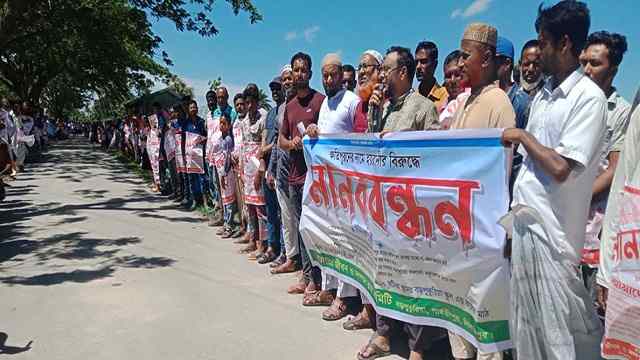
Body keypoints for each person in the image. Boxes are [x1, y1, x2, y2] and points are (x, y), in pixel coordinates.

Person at [502, 1, 606, 358]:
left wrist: (523, 137)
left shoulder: (588, 99)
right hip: (527, 226)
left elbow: (561, 168)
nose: (539, 49)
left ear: (563, 43)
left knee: (564, 336)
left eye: (543, 42)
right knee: (528, 331)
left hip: (556, 237)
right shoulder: (544, 96)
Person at [359, 46, 441, 360]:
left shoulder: (423, 108)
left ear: (402, 72)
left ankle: (417, 345)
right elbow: (370, 150)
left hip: (410, 207)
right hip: (382, 207)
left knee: (412, 276)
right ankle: (383, 332)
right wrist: (373, 114)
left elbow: (434, 158)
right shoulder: (381, 107)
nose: (380, 76)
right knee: (383, 270)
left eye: (386, 70)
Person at [448, 23, 515, 360]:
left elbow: (499, 176)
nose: (460, 63)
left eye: (466, 55)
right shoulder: (464, 103)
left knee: (484, 324)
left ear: (486, 57)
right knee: (457, 316)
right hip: (456, 229)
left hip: (483, 231)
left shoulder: (498, 103)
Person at [306, 53, 360, 315]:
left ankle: (345, 298)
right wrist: (313, 130)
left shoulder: (352, 101)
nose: (328, 80)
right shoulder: (325, 104)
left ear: (342, 76)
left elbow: (361, 139)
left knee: (345, 240)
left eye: (333, 75)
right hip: (326, 187)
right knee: (327, 236)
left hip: (347, 186)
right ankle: (329, 288)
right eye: (325, 75)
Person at [578, 31, 630, 305]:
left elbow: (614, 169)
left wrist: (574, 198)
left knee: (592, 314)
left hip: (596, 226)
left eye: (595, 63)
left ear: (614, 69)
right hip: (565, 224)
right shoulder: (574, 104)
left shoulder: (621, 111)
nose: (586, 70)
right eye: (584, 61)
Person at [278, 52, 325, 299]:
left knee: (316, 230)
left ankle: (318, 282)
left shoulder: (320, 101)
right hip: (295, 177)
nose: (299, 74)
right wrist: (292, 142)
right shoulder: (289, 106)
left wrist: (316, 132)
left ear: (310, 73)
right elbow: (281, 140)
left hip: (317, 180)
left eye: (304, 70)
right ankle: (307, 278)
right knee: (300, 228)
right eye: (296, 70)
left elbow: (330, 137)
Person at [270, 65, 301, 274]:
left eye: (290, 78)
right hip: (281, 169)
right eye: (285, 80)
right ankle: (291, 257)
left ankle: (305, 264)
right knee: (286, 217)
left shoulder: (303, 103)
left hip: (298, 171)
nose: (287, 82)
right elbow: (275, 141)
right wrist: (270, 169)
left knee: (301, 218)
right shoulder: (281, 109)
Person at [257, 76, 285, 264]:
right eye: (272, 89)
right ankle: (272, 247)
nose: (275, 91)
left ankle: (284, 251)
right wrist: (262, 159)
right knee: (270, 210)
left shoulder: (286, 110)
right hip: (268, 167)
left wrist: (264, 150)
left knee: (283, 213)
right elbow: (265, 138)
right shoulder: (270, 113)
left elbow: (275, 143)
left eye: (278, 88)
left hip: (280, 168)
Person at [238, 85, 268, 261]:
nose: (249, 106)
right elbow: (242, 147)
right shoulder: (243, 122)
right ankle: (252, 237)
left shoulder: (263, 117)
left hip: (258, 166)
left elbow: (262, 148)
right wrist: (242, 169)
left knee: (260, 207)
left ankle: (263, 244)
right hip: (246, 167)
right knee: (249, 205)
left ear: (257, 102)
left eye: (252, 102)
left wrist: (259, 172)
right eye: (247, 102)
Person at [215, 112, 241, 238]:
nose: (221, 125)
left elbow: (228, 158)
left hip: (228, 172)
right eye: (220, 123)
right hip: (222, 171)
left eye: (224, 123)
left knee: (229, 200)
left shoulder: (229, 140)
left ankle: (229, 226)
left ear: (229, 125)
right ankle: (226, 223)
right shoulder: (221, 139)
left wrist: (224, 173)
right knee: (224, 199)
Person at [182, 100, 207, 211]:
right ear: (188, 109)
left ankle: (205, 202)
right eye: (191, 107)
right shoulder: (185, 124)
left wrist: (202, 140)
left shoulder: (201, 122)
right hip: (190, 155)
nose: (193, 109)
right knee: (192, 178)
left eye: (195, 107)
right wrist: (183, 154)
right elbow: (183, 140)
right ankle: (194, 201)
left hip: (200, 154)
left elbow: (206, 136)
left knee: (202, 178)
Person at [204, 89, 223, 226]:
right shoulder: (208, 115)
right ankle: (217, 208)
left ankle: (221, 214)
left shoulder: (221, 112)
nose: (210, 101)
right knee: (212, 182)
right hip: (210, 154)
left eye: (212, 98)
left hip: (220, 154)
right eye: (208, 99)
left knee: (219, 184)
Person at [353, 50, 383, 133]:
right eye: (359, 68)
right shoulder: (358, 106)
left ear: (379, 70)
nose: (361, 72)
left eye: (365, 66)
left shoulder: (387, 102)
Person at [439, 50, 470, 129]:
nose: (452, 80)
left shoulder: (473, 102)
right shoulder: (440, 108)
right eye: (448, 76)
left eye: (457, 74)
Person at [415, 41, 448, 113]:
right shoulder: (411, 98)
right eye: (416, 62)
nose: (418, 67)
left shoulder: (446, 97)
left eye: (423, 62)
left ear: (435, 64)